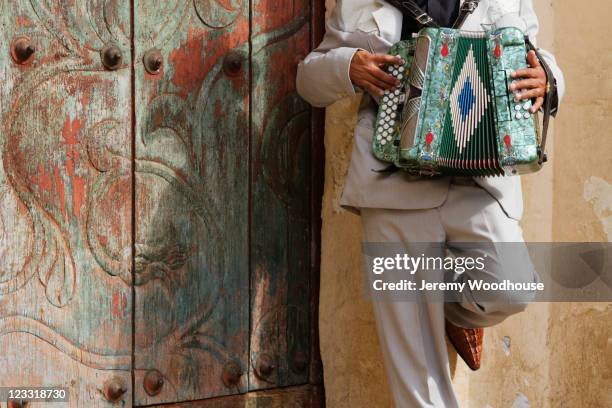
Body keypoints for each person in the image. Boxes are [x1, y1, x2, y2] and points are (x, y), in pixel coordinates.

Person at [296, 0, 564, 407]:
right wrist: (347, 66)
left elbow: (535, 55)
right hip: (393, 187)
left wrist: (547, 78)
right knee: (417, 378)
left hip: (479, 183)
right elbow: (308, 80)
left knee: (513, 287)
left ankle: (451, 306)